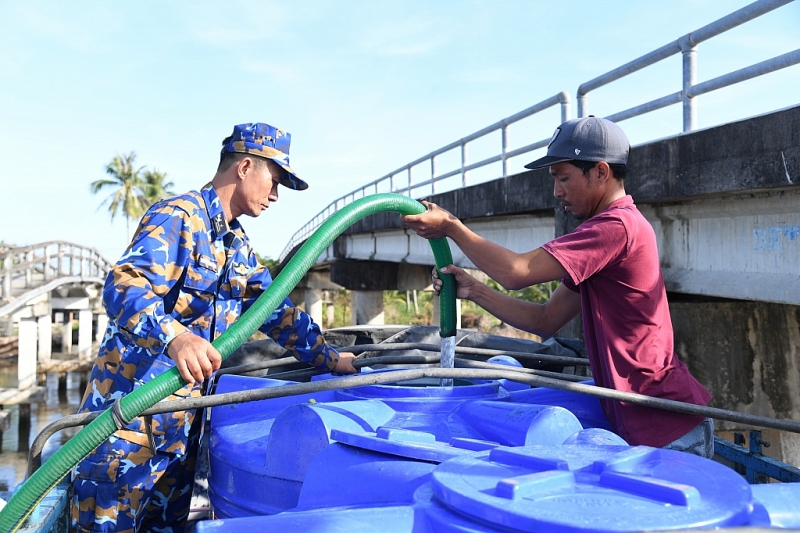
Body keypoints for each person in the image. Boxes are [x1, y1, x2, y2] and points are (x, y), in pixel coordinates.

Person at [72, 122, 357, 533]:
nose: (276, 195)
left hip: (182, 431)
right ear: (244, 167)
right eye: (274, 180)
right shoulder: (179, 217)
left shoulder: (235, 244)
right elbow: (124, 284)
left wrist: (331, 359)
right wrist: (177, 337)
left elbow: (274, 310)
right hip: (127, 430)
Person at [403, 116, 713, 457]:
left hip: (663, 421)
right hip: (651, 418)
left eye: (563, 177)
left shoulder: (615, 227)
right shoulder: (612, 231)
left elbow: (517, 272)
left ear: (600, 172)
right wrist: (475, 290)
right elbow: (546, 320)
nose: (557, 191)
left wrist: (452, 226)